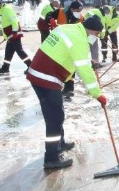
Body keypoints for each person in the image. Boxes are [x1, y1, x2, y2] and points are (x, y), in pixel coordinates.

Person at [26, 16, 107, 169]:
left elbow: (68, 57)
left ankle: (60, 144)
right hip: (46, 77)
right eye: (96, 35)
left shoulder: (69, 28)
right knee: (54, 118)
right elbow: (83, 68)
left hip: (42, 74)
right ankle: (51, 158)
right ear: (92, 31)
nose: (95, 38)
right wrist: (98, 94)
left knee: (57, 113)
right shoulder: (80, 40)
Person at [46, 0, 85, 96]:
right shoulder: (60, 12)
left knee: (71, 65)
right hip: (59, 43)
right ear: (71, 9)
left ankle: (69, 89)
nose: (78, 12)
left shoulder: (81, 18)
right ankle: (55, 86)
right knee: (58, 64)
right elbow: (48, 16)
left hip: (72, 44)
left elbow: (84, 31)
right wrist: (50, 19)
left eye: (80, 10)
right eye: (77, 10)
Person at [0, 0, 31, 74]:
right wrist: (6, 37)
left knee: (20, 51)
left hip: (14, 34)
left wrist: (14, 32)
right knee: (8, 52)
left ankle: (31, 66)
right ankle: (5, 67)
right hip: (10, 35)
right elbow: (6, 24)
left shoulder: (7, 9)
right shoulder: (3, 11)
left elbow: (14, 21)